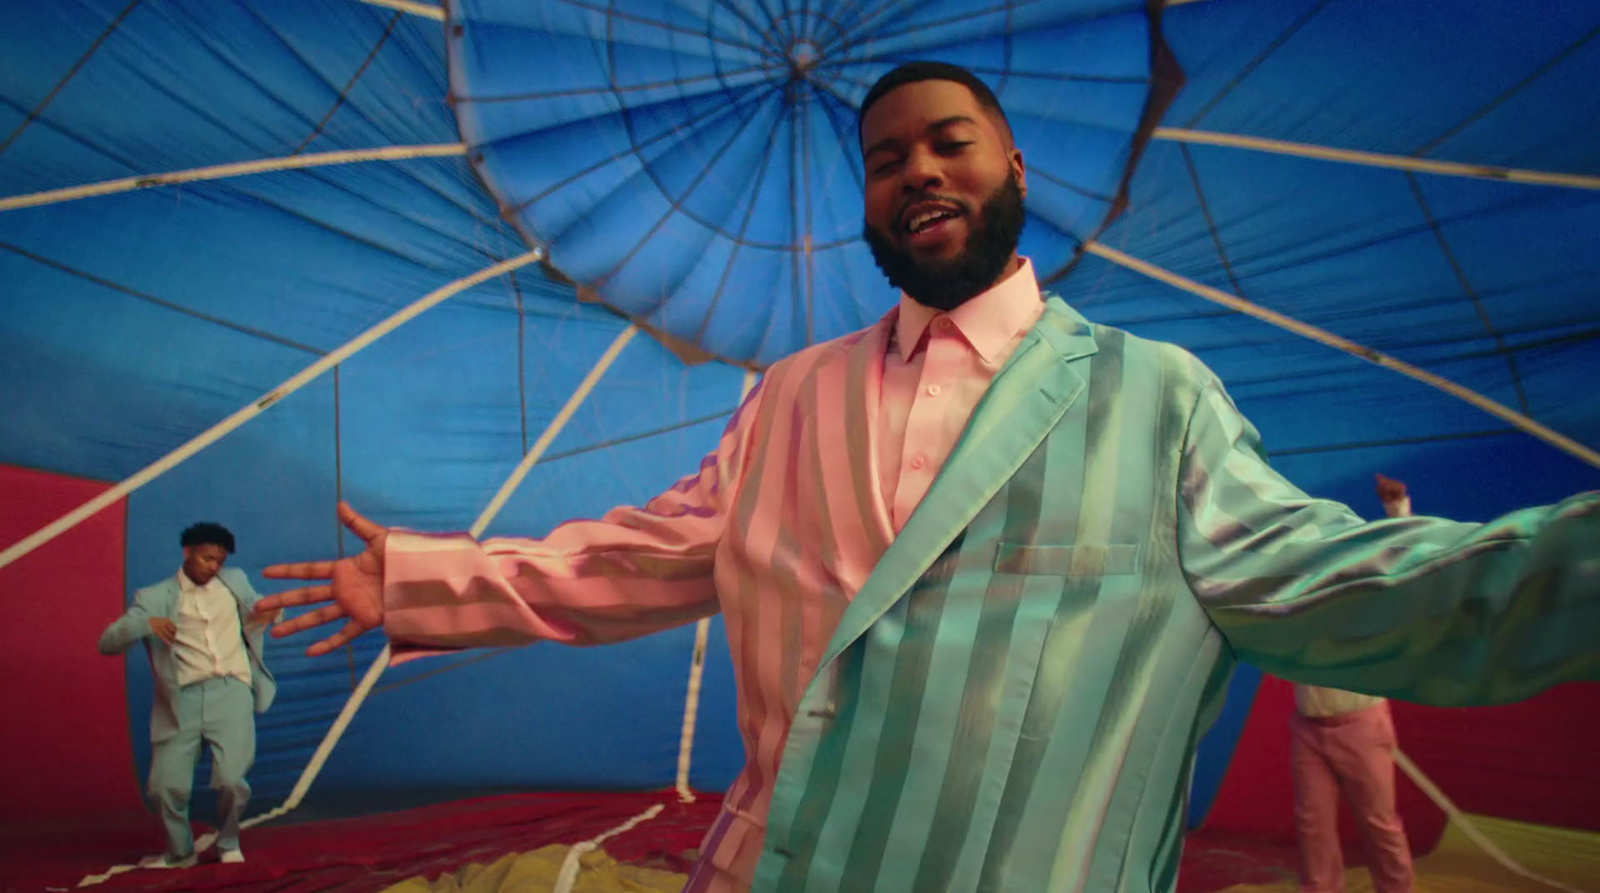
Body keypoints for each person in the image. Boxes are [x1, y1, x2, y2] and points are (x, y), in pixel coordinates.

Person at [257, 62, 1600, 893]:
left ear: (1013, 167)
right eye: (887, 157)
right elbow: (642, 558)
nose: (918, 170)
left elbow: (1342, 582)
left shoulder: (1153, 394)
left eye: (949, 141)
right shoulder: (795, 394)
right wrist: (430, 580)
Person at [99, 522, 277, 868]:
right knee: (165, 787)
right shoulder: (153, 598)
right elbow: (107, 643)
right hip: (182, 699)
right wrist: (145, 625)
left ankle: (228, 842)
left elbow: (256, 608)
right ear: (187, 553)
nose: (213, 566)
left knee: (230, 779)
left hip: (231, 690)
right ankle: (180, 853)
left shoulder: (234, 581)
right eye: (207, 558)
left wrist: (268, 612)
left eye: (219, 561)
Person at [1290, 475, 1418, 893]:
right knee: (1314, 830)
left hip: (1361, 726)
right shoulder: (1296, 598)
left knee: (1380, 824)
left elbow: (1400, 567)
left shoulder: (1365, 595)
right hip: (1309, 729)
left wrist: (1397, 509)